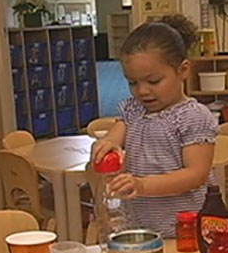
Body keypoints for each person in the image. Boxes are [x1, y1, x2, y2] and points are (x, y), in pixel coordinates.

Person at [91, 14, 218, 238]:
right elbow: (114, 136)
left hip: (185, 230)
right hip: (140, 227)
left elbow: (196, 174)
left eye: (153, 81)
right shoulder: (133, 110)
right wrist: (105, 144)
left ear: (183, 70)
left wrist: (142, 186)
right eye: (133, 83)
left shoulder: (193, 117)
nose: (142, 91)